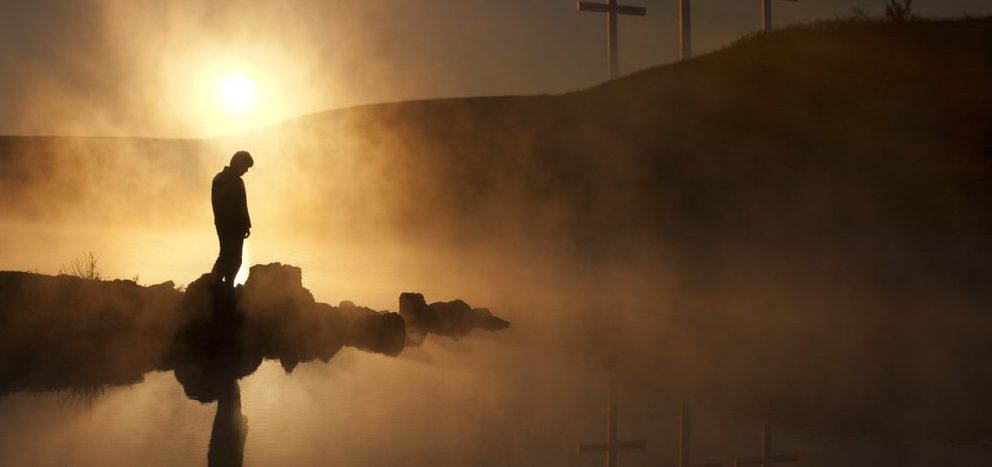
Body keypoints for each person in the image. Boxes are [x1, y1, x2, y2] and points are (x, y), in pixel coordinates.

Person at [211, 150, 253, 289]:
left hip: (237, 227)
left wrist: (246, 225)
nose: (246, 170)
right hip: (227, 226)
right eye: (245, 166)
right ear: (238, 163)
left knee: (235, 257)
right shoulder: (222, 180)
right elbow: (223, 206)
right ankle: (216, 282)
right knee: (227, 255)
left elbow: (242, 205)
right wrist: (238, 224)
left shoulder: (237, 181)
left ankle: (226, 282)